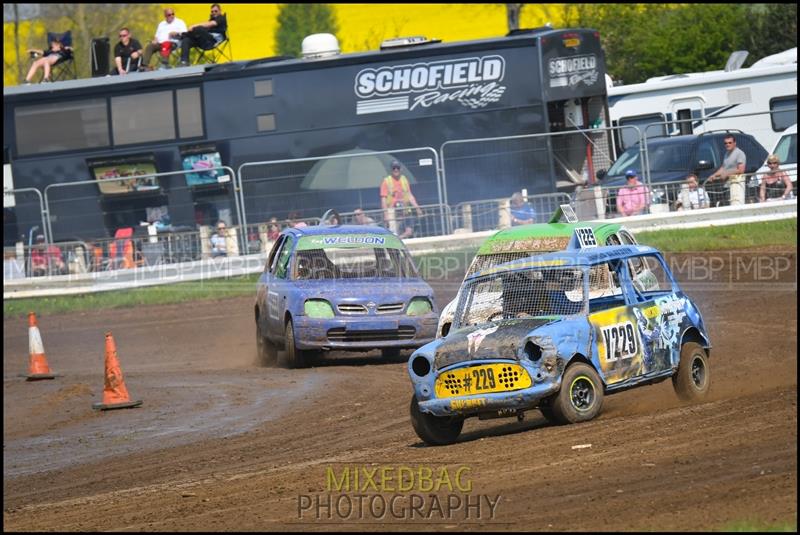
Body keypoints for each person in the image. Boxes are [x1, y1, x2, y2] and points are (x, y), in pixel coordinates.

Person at [380, 160, 422, 239]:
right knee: (393, 232)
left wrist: (417, 208)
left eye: (397, 168)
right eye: (394, 168)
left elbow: (409, 195)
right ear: (391, 169)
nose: (396, 170)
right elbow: (383, 199)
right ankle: (396, 242)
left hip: (405, 210)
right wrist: (386, 215)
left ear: (401, 169)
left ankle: (400, 239)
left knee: (409, 231)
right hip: (392, 211)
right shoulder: (386, 181)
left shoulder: (404, 179)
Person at [707, 134, 746, 207]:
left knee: (734, 206)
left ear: (735, 143)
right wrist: (714, 175)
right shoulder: (726, 154)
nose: (727, 144)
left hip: (735, 186)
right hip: (726, 186)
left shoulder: (739, 153)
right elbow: (723, 168)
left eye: (730, 142)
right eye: (726, 143)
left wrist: (727, 173)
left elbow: (741, 170)